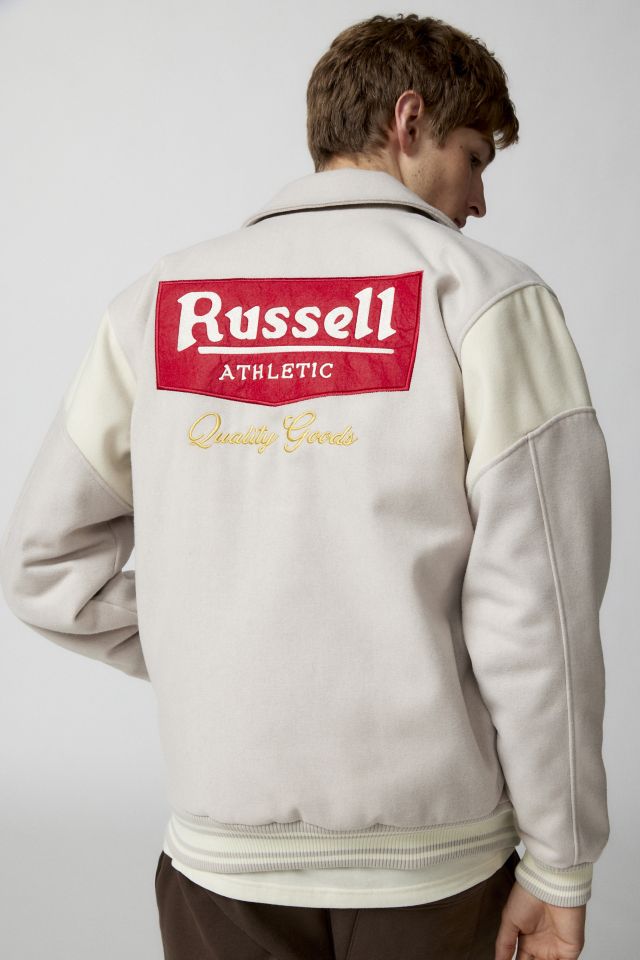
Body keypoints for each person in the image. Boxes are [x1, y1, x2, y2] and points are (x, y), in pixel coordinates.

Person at [0, 13, 611, 960]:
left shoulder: (160, 301)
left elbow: (42, 564)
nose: (481, 198)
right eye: (473, 156)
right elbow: (542, 612)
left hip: (219, 867)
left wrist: (217, 644)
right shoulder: (487, 299)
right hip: (433, 869)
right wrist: (561, 863)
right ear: (409, 121)